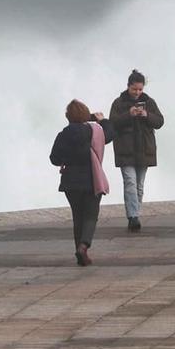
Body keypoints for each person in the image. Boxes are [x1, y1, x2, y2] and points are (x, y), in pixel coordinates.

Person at [49, 99, 110, 267]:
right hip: (91, 179)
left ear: (68, 117)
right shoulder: (94, 131)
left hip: (70, 181)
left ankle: (79, 252)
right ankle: (83, 247)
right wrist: (102, 120)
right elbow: (110, 134)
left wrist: (65, 159)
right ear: (85, 115)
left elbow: (54, 158)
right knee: (91, 215)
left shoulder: (63, 135)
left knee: (78, 217)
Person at [106, 70, 164, 232]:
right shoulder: (118, 103)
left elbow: (160, 121)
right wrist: (128, 114)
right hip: (125, 149)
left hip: (144, 149)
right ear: (128, 87)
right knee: (130, 182)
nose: (137, 93)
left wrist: (146, 115)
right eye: (134, 89)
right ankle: (133, 216)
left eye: (140, 89)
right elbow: (112, 123)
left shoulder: (149, 102)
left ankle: (135, 214)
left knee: (139, 185)